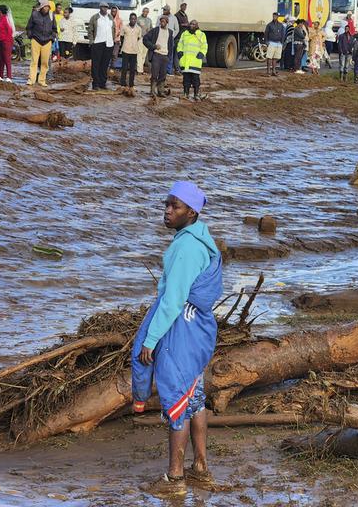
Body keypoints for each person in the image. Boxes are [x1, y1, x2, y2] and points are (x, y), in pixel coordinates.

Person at [132, 181, 222, 498]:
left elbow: (173, 300)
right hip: (197, 329)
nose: (168, 211)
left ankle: (174, 478)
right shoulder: (201, 240)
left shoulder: (186, 247)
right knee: (194, 398)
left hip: (180, 331)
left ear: (192, 212)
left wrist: (150, 339)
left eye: (175, 206)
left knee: (176, 401)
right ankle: (200, 467)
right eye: (167, 204)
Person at [26, 0, 57, 87]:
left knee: (45, 62)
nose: (46, 8)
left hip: (47, 41)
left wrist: (52, 38)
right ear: (41, 7)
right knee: (34, 61)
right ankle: (31, 79)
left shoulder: (51, 15)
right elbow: (29, 27)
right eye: (45, 7)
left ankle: (42, 80)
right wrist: (31, 36)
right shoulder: (35, 14)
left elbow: (54, 29)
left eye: (47, 7)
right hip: (36, 40)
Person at [144, 15, 174, 97]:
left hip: (165, 56)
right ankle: (152, 91)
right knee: (154, 74)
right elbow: (145, 39)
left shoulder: (170, 32)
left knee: (163, 75)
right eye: (161, 21)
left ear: (167, 22)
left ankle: (160, 91)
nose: (162, 22)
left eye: (164, 21)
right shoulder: (155, 30)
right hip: (156, 55)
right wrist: (153, 46)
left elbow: (171, 45)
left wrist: (169, 57)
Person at [177, 20, 208, 100]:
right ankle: (185, 94)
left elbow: (204, 46)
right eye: (190, 24)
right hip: (185, 61)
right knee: (186, 79)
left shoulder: (201, 35)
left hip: (195, 62)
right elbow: (180, 44)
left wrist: (201, 54)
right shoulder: (184, 34)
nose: (191, 25)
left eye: (193, 24)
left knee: (195, 79)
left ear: (197, 25)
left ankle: (196, 94)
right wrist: (180, 52)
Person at [87, 2, 114, 90]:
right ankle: (95, 84)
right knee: (96, 64)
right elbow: (90, 30)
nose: (105, 9)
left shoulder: (110, 17)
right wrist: (91, 41)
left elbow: (113, 29)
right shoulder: (95, 18)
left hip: (108, 44)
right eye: (103, 7)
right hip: (97, 43)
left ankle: (103, 83)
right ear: (100, 7)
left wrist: (113, 40)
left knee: (105, 65)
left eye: (106, 7)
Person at [120, 13, 142, 91]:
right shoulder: (124, 27)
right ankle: (122, 83)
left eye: (134, 19)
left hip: (134, 51)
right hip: (126, 50)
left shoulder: (139, 29)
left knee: (132, 69)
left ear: (136, 20)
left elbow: (138, 38)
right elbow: (121, 37)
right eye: (132, 19)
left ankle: (131, 84)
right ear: (129, 19)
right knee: (124, 68)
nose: (133, 20)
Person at [157, 6, 180, 75]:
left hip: (170, 38)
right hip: (161, 38)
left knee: (170, 54)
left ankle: (169, 71)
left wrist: (172, 36)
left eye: (165, 10)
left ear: (168, 10)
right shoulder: (160, 17)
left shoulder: (174, 18)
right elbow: (157, 26)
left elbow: (177, 29)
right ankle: (160, 70)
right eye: (163, 10)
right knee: (160, 53)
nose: (163, 11)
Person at [0, 4, 14, 82]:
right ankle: (1, 75)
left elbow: (10, 31)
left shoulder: (6, 19)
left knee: (7, 59)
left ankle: (9, 76)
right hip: (0, 41)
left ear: (0, 11)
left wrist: (6, 40)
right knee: (1, 59)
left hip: (6, 41)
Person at [264, 12, 285, 77]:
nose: (274, 17)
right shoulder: (269, 25)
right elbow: (266, 33)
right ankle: (268, 71)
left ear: (278, 17)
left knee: (275, 58)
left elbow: (283, 34)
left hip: (278, 43)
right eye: (273, 16)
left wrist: (282, 43)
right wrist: (266, 42)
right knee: (269, 57)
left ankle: (273, 71)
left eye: (275, 16)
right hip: (272, 42)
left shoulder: (281, 25)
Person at [137, 8, 153, 74]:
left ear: (148, 12)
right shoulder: (138, 19)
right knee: (139, 54)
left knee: (144, 54)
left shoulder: (149, 20)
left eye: (147, 12)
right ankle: (139, 70)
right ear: (142, 11)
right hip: (140, 38)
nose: (145, 13)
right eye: (144, 11)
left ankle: (141, 68)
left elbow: (151, 29)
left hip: (147, 39)